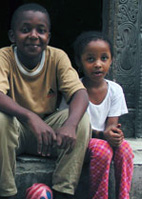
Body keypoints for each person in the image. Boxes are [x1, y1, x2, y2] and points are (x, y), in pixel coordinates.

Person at [0, 3, 91, 199]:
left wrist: (70, 125)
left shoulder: (57, 57)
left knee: (81, 119)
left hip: (48, 134)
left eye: (41, 31)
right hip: (16, 132)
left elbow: (80, 94)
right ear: (12, 36)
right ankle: (5, 193)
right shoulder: (4, 56)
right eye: (25, 30)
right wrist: (31, 117)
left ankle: (63, 191)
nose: (33, 35)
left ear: (48, 37)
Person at [73, 31, 134, 199]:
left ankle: (124, 196)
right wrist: (102, 135)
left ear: (111, 60)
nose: (98, 64)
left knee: (126, 150)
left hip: (104, 140)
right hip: (81, 145)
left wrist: (115, 135)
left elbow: (111, 125)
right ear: (79, 61)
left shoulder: (115, 89)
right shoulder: (75, 88)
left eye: (104, 58)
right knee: (103, 150)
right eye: (90, 59)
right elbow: (74, 128)